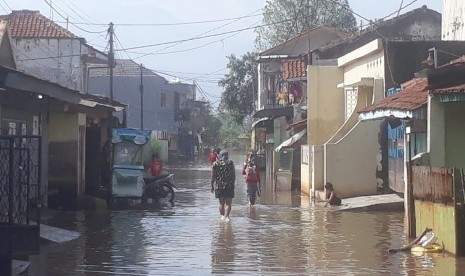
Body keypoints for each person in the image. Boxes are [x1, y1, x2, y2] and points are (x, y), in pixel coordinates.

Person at [211, 150, 235, 221]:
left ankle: (222, 217)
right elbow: (233, 175)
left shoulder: (215, 164)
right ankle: (226, 217)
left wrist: (212, 185)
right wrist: (233, 184)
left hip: (219, 186)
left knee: (221, 203)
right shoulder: (230, 163)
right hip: (229, 185)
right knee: (228, 203)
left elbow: (213, 176)